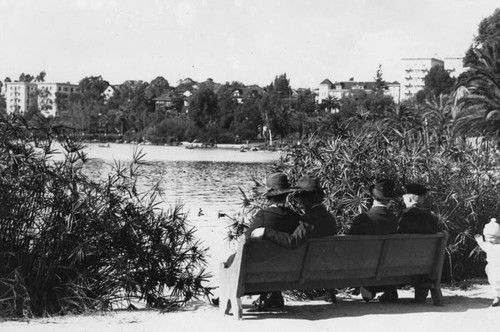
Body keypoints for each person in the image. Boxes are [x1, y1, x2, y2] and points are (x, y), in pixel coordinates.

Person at [240, 172, 301, 310]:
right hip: (286, 272)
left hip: (261, 273)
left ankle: (229, 291)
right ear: (286, 194)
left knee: (233, 260)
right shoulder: (295, 217)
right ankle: (273, 294)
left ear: (269, 196)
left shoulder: (263, 217)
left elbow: (246, 242)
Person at [251, 175, 337, 249]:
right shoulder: (330, 217)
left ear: (305, 199)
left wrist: (265, 232)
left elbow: (293, 241)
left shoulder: (310, 220)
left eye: (300, 198)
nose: (300, 201)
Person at [348, 179, 399, 302]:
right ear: (389, 200)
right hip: (390, 267)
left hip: (365, 267)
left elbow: (348, 244)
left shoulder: (362, 219)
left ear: (373, 198)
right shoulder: (396, 220)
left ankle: (369, 287)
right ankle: (385, 286)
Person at [397, 183, 439, 303]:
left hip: (399, 264)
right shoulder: (431, 217)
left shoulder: (402, 216)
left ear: (408, 198)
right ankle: (421, 292)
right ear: (421, 199)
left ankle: (389, 290)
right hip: (425, 265)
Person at [475, 218, 500, 307]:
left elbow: (482, 244)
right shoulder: (490, 246)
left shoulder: (489, 246)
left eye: (492, 240)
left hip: (494, 269)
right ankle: (496, 297)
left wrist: (479, 240)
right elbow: (483, 245)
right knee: (494, 283)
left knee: (494, 283)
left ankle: (496, 297)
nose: (490, 242)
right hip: (493, 269)